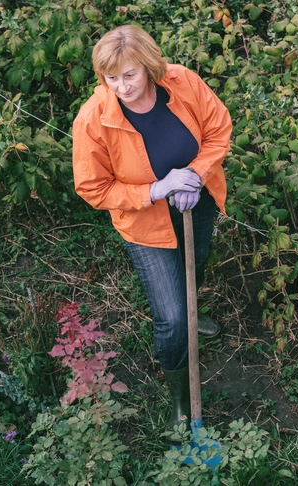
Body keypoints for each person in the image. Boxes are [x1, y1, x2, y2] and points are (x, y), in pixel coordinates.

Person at [71, 25, 232, 442]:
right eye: (111, 78)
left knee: (194, 267)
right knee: (172, 316)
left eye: (129, 75)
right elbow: (93, 187)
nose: (121, 86)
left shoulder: (182, 83)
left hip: (196, 204)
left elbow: (218, 130)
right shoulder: (93, 119)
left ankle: (195, 319)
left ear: (148, 65)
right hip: (144, 225)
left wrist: (195, 175)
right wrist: (156, 190)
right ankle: (181, 404)